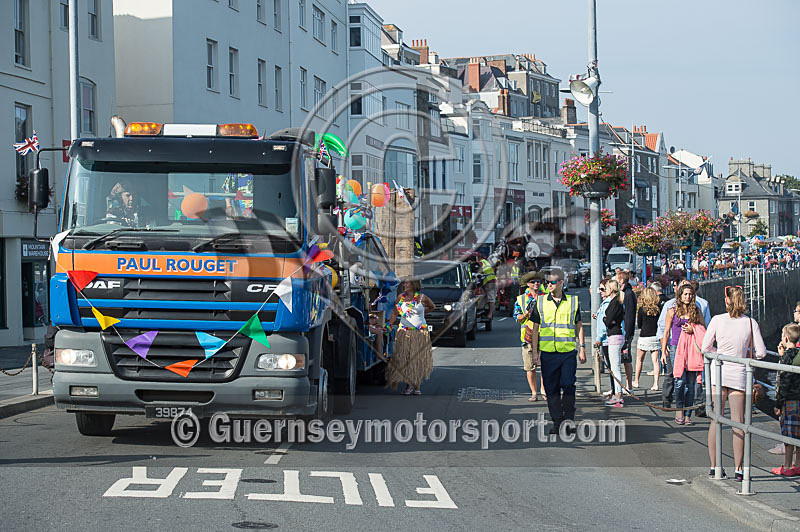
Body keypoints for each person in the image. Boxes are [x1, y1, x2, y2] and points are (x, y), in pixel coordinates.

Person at [702, 286, 767, 482]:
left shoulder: (717, 320)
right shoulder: (749, 322)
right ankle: (739, 470)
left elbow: (705, 347)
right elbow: (762, 353)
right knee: (738, 423)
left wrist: (719, 352)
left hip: (719, 373)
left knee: (716, 419)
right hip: (739, 375)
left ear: (727, 301)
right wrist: (747, 353)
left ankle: (715, 466)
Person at [528, 268, 587, 433]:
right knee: (551, 388)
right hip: (548, 353)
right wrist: (535, 353)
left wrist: (582, 348)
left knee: (568, 385)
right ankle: (557, 422)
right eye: (547, 283)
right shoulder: (540, 302)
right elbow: (535, 329)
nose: (549, 285)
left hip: (567, 352)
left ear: (561, 282)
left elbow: (579, 326)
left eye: (552, 282)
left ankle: (569, 420)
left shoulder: (573, 302)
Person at [665, 284, 706, 425]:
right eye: (685, 294)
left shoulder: (696, 311)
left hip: (692, 350)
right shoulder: (672, 311)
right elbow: (666, 332)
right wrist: (664, 350)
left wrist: (693, 328)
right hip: (676, 348)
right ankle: (679, 410)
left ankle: (688, 414)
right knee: (679, 381)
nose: (688, 297)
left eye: (690, 294)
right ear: (680, 296)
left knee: (691, 383)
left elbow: (703, 329)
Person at [386, 279, 435, 395]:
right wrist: (388, 325)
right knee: (406, 359)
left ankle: (416, 385)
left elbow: (432, 307)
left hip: (419, 333)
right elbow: (395, 313)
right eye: (404, 283)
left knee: (416, 359)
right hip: (404, 332)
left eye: (407, 283)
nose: (404, 285)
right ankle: (408, 385)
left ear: (414, 285)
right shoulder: (400, 298)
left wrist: (421, 315)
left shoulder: (422, 298)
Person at [772, 323, 800, 476]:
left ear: (785, 338)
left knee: (788, 436)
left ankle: (787, 466)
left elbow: (783, 382)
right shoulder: (798, 354)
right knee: (799, 434)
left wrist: (778, 403)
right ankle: (798, 464)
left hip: (789, 401)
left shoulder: (787, 357)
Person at [514, 272, 545, 402]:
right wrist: (526, 314)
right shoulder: (521, 299)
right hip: (528, 337)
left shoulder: (547, 297)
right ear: (528, 284)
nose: (536, 283)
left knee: (546, 367)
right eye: (533, 282)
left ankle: (544, 391)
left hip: (545, 336)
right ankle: (534, 392)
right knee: (530, 367)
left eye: (538, 281)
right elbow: (517, 317)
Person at [602, 280, 626, 408]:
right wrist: (607, 320)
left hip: (614, 336)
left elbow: (608, 320)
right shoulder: (616, 302)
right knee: (615, 367)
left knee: (615, 368)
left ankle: (618, 396)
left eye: (606, 288)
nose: (605, 290)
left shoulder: (615, 302)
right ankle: (617, 394)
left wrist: (606, 319)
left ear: (611, 289)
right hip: (615, 335)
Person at [634, 287, 662, 392]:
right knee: (655, 361)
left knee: (639, 360)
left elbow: (639, 324)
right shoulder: (658, 309)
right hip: (655, 336)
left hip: (644, 336)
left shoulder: (642, 309)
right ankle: (656, 383)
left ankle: (636, 381)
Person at [593, 279, 616, 398]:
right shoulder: (606, 303)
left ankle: (616, 392)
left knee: (612, 368)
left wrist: (598, 339)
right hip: (608, 339)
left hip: (608, 339)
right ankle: (614, 390)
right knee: (612, 367)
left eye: (602, 289)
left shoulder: (608, 304)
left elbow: (604, 324)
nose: (600, 292)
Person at [616, 270, 637, 392]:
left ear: (622, 281)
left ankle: (629, 386)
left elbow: (629, 315)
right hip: (623, 331)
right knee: (623, 359)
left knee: (626, 358)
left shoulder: (628, 294)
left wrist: (627, 334)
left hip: (625, 332)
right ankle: (624, 386)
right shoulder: (625, 293)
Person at [479, 256, 498, 320]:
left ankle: (490, 315)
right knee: (485, 298)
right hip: (491, 282)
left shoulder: (481, 263)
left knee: (490, 300)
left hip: (490, 282)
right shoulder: (486, 262)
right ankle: (482, 312)